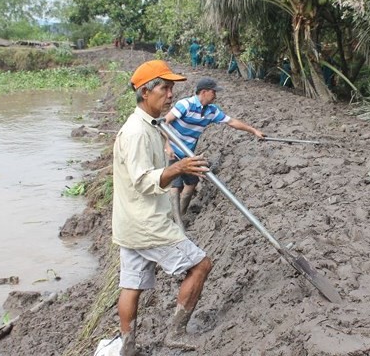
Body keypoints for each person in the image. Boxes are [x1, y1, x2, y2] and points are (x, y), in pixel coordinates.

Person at [112, 60, 213, 354]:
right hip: (147, 222)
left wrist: (176, 160)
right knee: (200, 265)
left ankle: (127, 347)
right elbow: (143, 181)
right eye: (165, 88)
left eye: (172, 89)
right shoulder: (136, 133)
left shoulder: (150, 125)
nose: (171, 95)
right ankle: (176, 332)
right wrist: (177, 167)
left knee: (132, 284)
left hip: (130, 222)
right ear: (146, 92)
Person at [163, 77, 265, 227]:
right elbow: (164, 122)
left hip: (188, 153)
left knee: (191, 184)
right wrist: (167, 145)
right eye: (213, 92)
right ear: (204, 92)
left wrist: (253, 130)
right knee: (175, 186)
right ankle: (175, 222)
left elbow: (232, 122)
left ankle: (180, 216)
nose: (216, 95)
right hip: (174, 150)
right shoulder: (185, 104)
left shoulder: (212, 111)